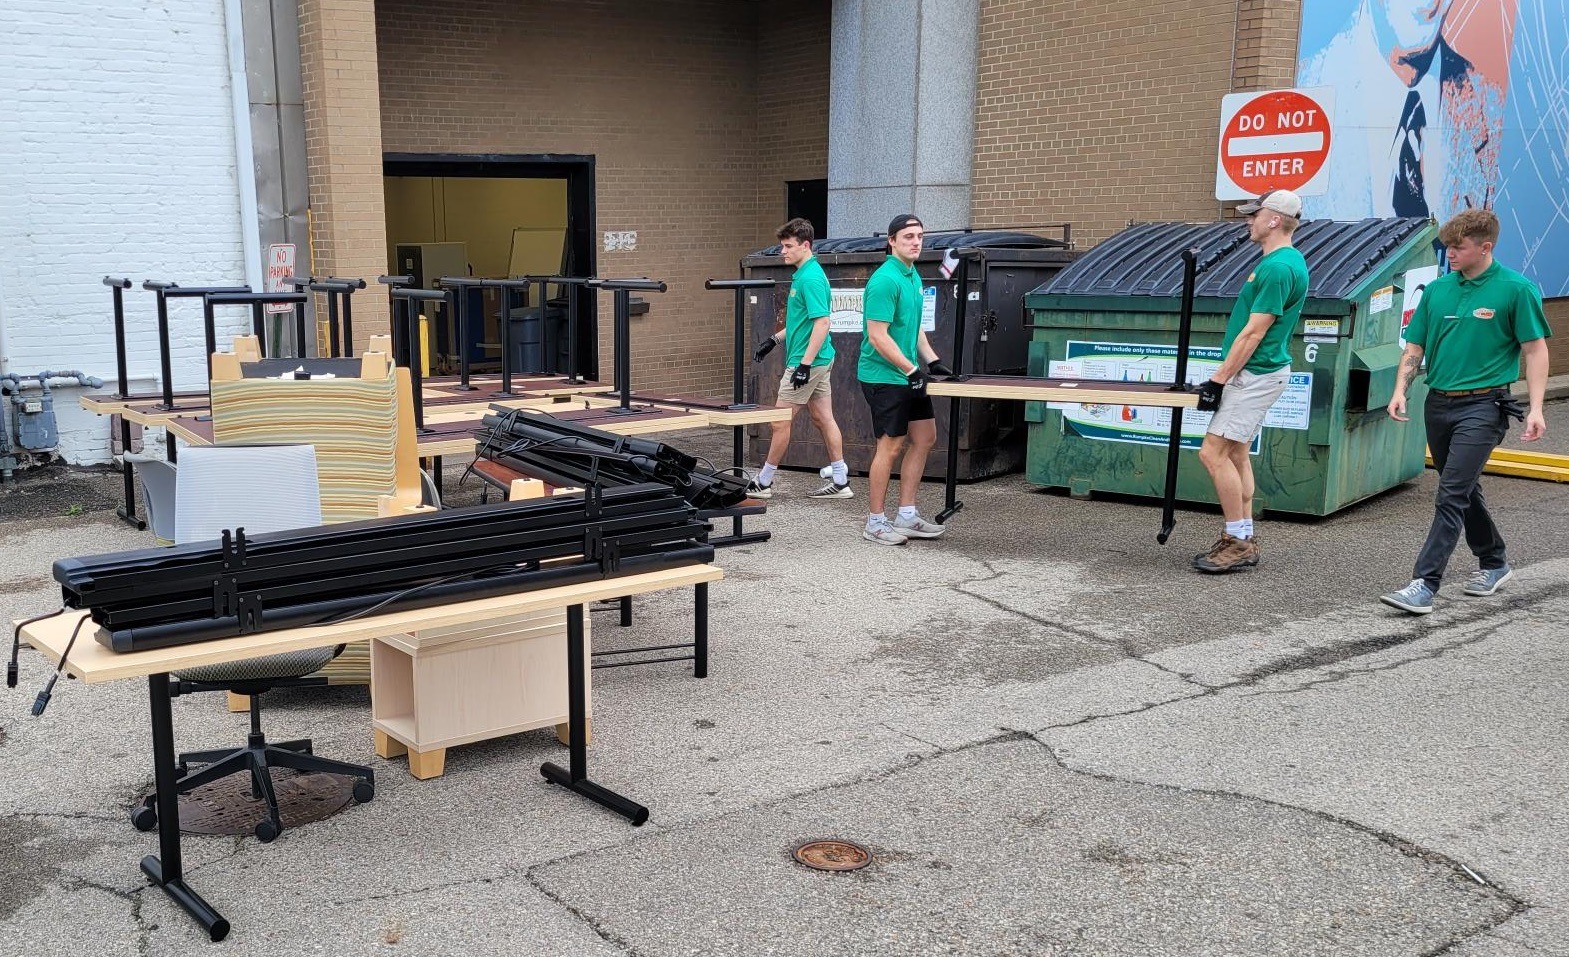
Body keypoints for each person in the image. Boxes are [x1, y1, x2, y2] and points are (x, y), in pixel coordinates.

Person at [1379, 208, 1551, 614]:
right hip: (1438, 403)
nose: (1449, 253)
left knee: (1451, 492)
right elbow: (1415, 347)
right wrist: (1400, 389)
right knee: (1464, 488)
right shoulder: (1439, 291)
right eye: (1448, 246)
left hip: (1484, 405)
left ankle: (1424, 584)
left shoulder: (1515, 289)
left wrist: (1537, 408)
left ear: (1485, 247)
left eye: (1458, 247)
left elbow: (1535, 349)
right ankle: (1494, 562)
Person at [1192, 189, 1311, 574]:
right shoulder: (1283, 263)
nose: (1248, 220)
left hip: (1254, 374)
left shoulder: (1278, 268)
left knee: (1212, 454)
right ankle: (1242, 536)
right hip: (1259, 373)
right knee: (1237, 453)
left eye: (1254, 214)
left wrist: (1218, 379)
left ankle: (1238, 542)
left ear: (1274, 219)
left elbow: (1253, 333)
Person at [856, 213, 955, 545]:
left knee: (925, 437)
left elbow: (913, 330)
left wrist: (933, 361)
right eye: (909, 236)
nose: (916, 242)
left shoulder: (913, 276)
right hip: (884, 376)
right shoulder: (885, 280)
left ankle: (907, 515)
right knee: (891, 445)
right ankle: (875, 522)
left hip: (909, 374)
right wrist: (911, 371)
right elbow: (878, 336)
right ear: (892, 240)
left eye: (920, 236)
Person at [748, 218, 852, 500]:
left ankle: (764, 482)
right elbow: (801, 322)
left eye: (788, 246)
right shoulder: (803, 274)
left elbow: (822, 323)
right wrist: (774, 340)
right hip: (817, 359)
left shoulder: (811, 278)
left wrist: (804, 365)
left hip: (808, 362)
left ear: (805, 245)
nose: (783, 251)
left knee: (779, 421)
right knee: (822, 417)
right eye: (782, 246)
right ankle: (841, 480)